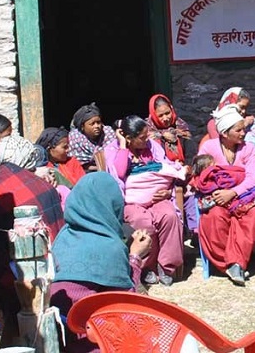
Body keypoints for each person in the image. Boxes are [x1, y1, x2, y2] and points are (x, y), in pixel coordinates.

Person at [0, 134, 63, 347]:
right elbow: (56, 228)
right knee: (43, 326)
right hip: (49, 271)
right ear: (27, 158)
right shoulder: (41, 187)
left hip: (10, 275)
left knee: (15, 324)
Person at [49, 173, 152, 353]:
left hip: (62, 340)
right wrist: (135, 256)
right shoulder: (109, 247)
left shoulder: (62, 237)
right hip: (95, 342)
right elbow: (126, 306)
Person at [104, 116, 186, 287]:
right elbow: (119, 174)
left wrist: (167, 191)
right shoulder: (113, 150)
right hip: (130, 201)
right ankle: (146, 267)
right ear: (128, 137)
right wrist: (123, 146)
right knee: (143, 222)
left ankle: (166, 266)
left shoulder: (152, 147)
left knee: (169, 216)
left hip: (157, 197)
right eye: (142, 137)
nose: (146, 139)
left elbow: (166, 169)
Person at [195, 104, 255, 285]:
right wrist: (217, 192)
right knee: (214, 217)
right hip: (217, 197)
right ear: (225, 133)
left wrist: (232, 192)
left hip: (242, 196)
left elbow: (251, 178)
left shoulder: (248, 148)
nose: (243, 133)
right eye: (239, 130)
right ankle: (228, 264)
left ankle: (236, 263)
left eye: (243, 129)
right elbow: (200, 175)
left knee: (251, 215)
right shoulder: (208, 147)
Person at [206, 87, 255, 153]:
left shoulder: (251, 119)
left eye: (246, 108)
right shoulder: (215, 124)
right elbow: (221, 149)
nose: (243, 111)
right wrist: (244, 124)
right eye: (241, 107)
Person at [69, 103, 118, 173]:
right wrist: (99, 168)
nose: (97, 126)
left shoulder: (108, 133)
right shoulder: (75, 138)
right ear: (82, 126)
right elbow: (77, 165)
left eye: (98, 122)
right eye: (92, 124)